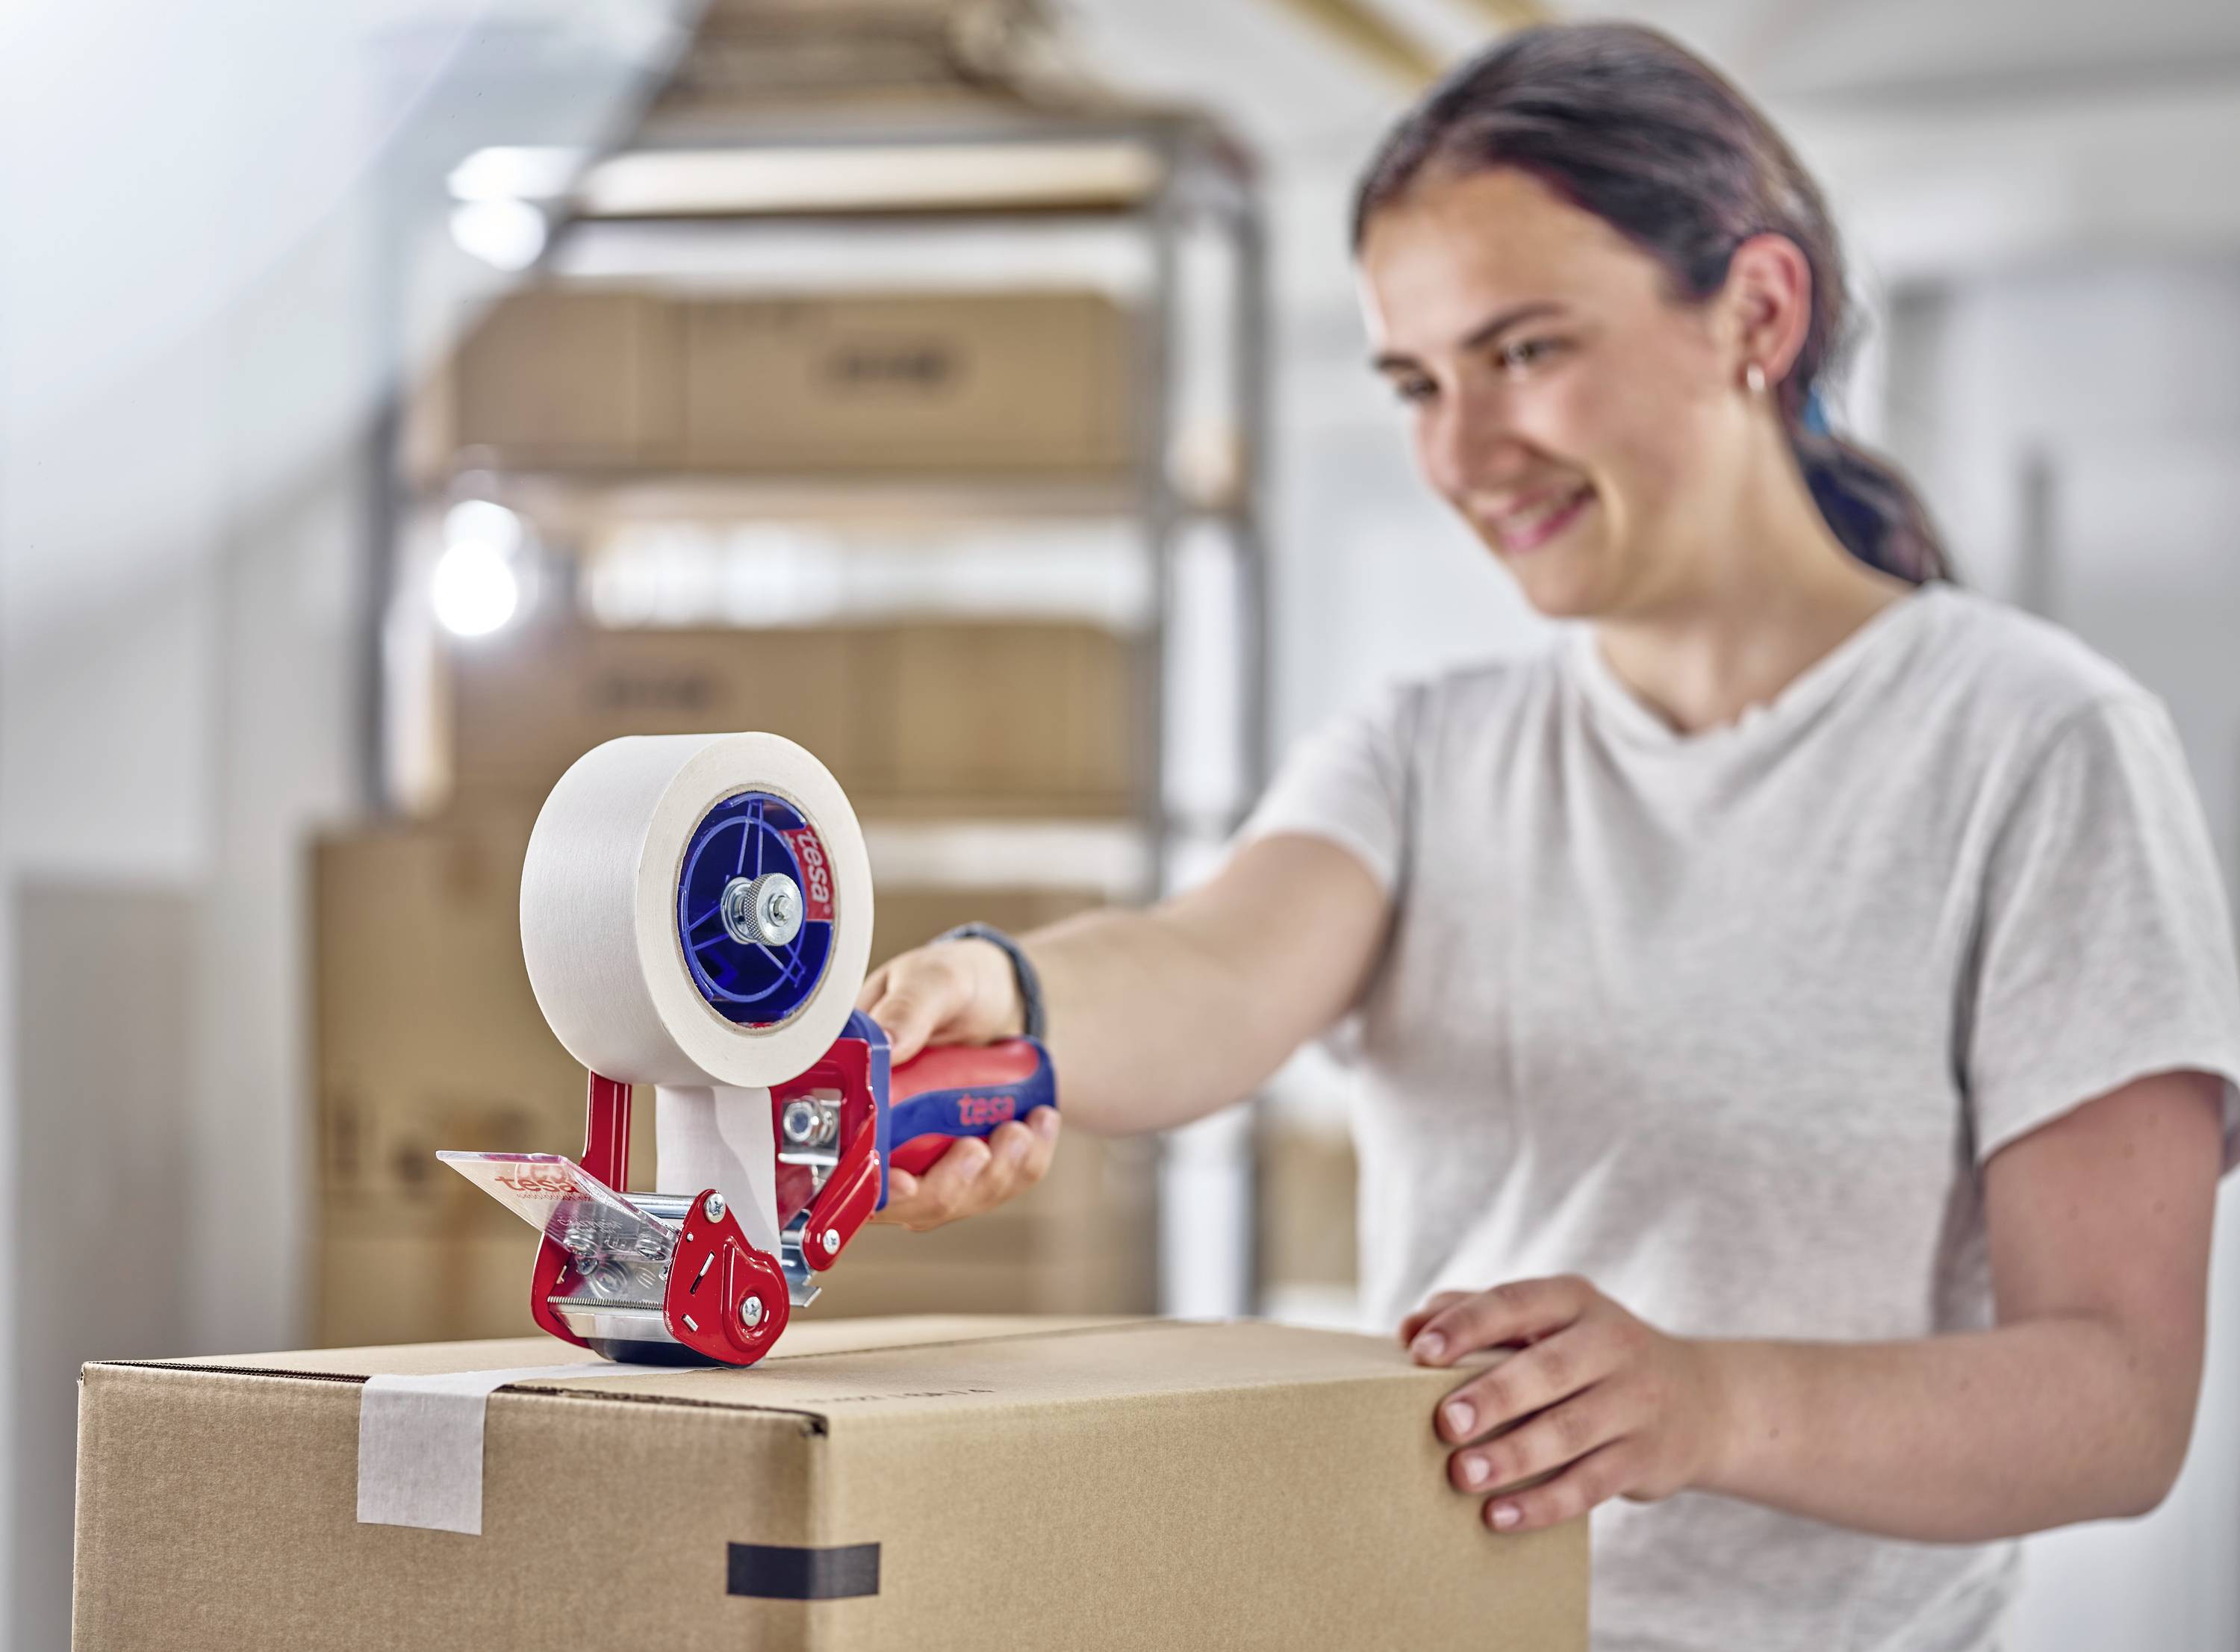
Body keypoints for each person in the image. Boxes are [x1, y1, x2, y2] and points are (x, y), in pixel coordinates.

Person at [855, 22, 2240, 1651]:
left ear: (1758, 315)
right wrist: (1011, 994)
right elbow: (1214, 966)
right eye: (1418, 383)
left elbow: (2119, 1398)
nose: (1457, 456)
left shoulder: (2036, 751)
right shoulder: (1432, 746)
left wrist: (1705, 1405)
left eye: (1523, 354)